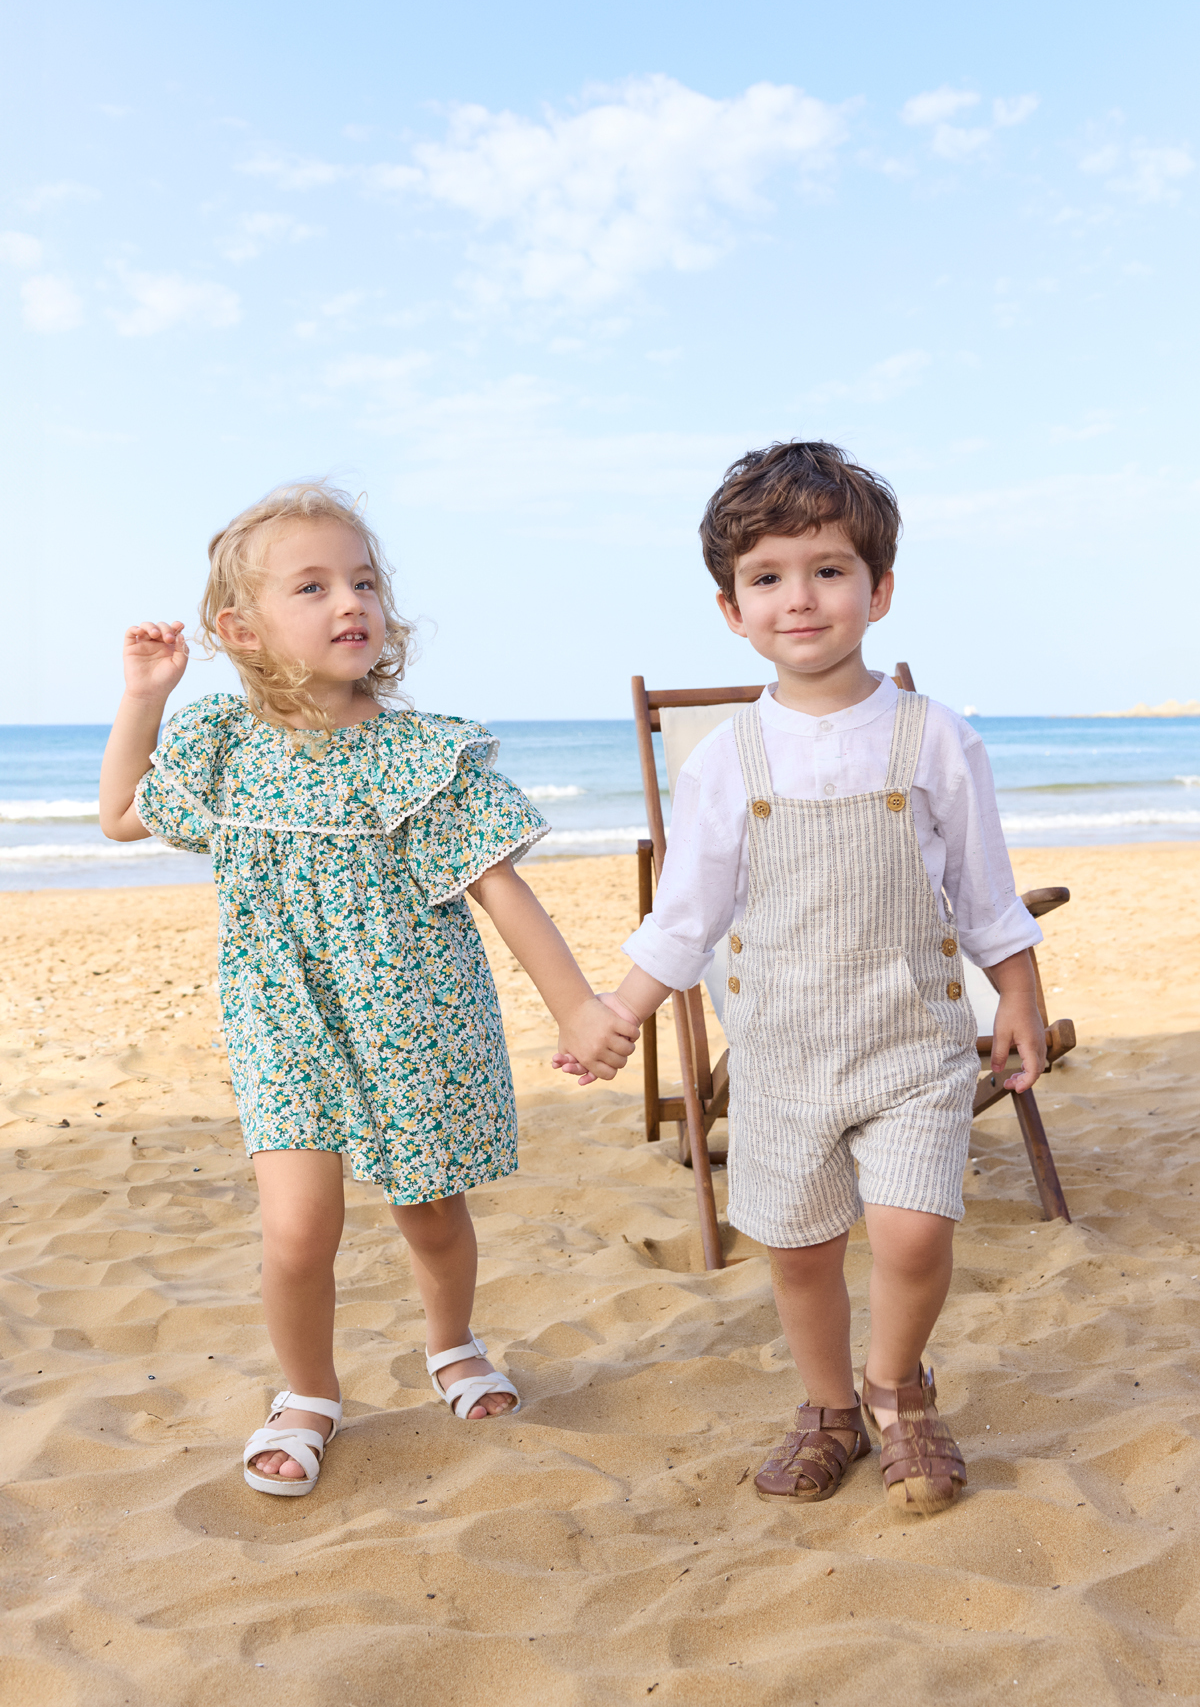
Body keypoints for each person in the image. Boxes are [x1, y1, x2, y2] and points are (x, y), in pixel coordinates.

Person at [99, 481, 637, 1498]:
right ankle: (306, 1392)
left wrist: (575, 1004)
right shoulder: (223, 742)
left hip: (414, 1015)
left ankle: (451, 1340)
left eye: (364, 580)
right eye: (313, 586)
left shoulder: (420, 755)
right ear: (242, 630)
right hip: (283, 1018)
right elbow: (123, 814)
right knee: (299, 1228)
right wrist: (145, 693)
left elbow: (499, 886)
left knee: (431, 1212)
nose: (351, 601)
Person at [560, 441, 1045, 1515]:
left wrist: (1018, 994)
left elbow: (983, 891)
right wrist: (616, 1015)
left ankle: (898, 1387)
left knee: (914, 1229)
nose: (800, 597)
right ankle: (828, 1406)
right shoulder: (726, 760)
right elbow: (686, 916)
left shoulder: (937, 738)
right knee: (800, 1248)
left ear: (879, 589)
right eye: (767, 577)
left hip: (913, 1043)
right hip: (781, 1055)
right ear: (731, 609)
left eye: (828, 569)